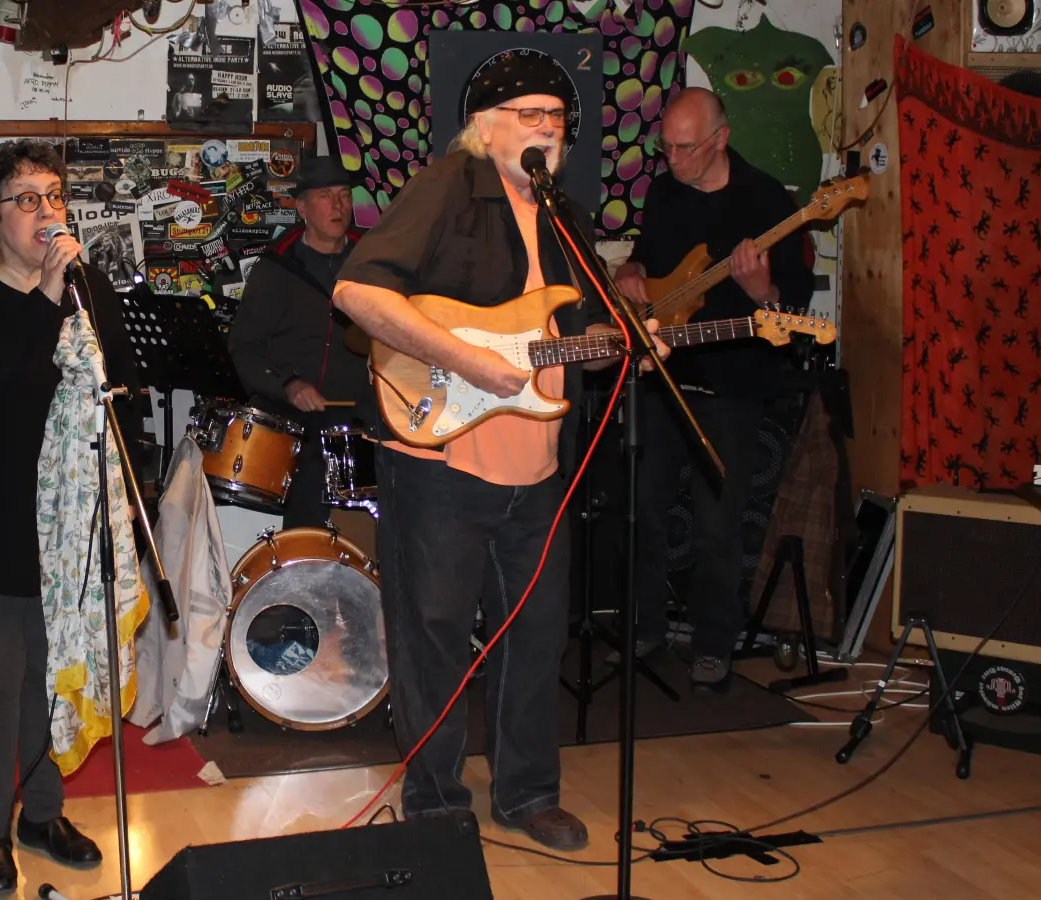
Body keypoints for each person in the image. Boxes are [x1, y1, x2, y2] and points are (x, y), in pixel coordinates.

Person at [333, 52, 667, 850]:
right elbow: (357, 291)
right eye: (529, 114)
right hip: (441, 459)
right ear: (485, 127)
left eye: (557, 118)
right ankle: (435, 801)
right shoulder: (449, 187)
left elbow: (567, 338)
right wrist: (468, 359)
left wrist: (624, 345)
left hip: (539, 468)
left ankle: (528, 793)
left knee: (537, 633)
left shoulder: (564, 215)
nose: (547, 129)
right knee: (435, 634)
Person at [0, 140, 144, 894]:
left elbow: (122, 384)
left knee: (54, 678)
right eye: (27, 200)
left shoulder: (85, 287)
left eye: (54, 196)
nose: (47, 212)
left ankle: (42, 815)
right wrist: (45, 298)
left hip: (72, 525)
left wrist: (128, 494)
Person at [614, 87, 813, 692]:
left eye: (686, 148)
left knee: (717, 525)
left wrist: (761, 294)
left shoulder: (767, 201)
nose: (673, 159)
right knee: (641, 511)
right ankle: (645, 628)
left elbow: (792, 308)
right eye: (666, 147)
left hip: (732, 382)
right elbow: (646, 259)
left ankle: (712, 645)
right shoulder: (664, 192)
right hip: (664, 375)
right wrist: (631, 271)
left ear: (720, 139)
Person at [227, 156, 368, 528]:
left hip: (361, 413)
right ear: (302, 209)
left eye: (344, 195)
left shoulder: (373, 260)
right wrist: (287, 384)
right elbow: (244, 347)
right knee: (308, 502)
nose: (338, 205)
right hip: (293, 417)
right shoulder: (277, 268)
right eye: (325, 196)